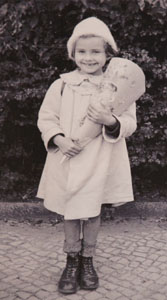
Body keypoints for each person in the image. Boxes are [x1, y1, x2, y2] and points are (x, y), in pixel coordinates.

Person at [37, 17, 137, 294]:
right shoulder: (62, 85)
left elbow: (129, 122)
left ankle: (87, 261)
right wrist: (58, 138)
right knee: (71, 212)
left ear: (108, 54)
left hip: (101, 160)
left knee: (92, 212)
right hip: (68, 158)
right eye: (82, 52)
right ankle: (71, 262)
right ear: (72, 54)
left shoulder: (119, 87)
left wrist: (110, 119)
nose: (89, 57)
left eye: (96, 52)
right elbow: (46, 118)